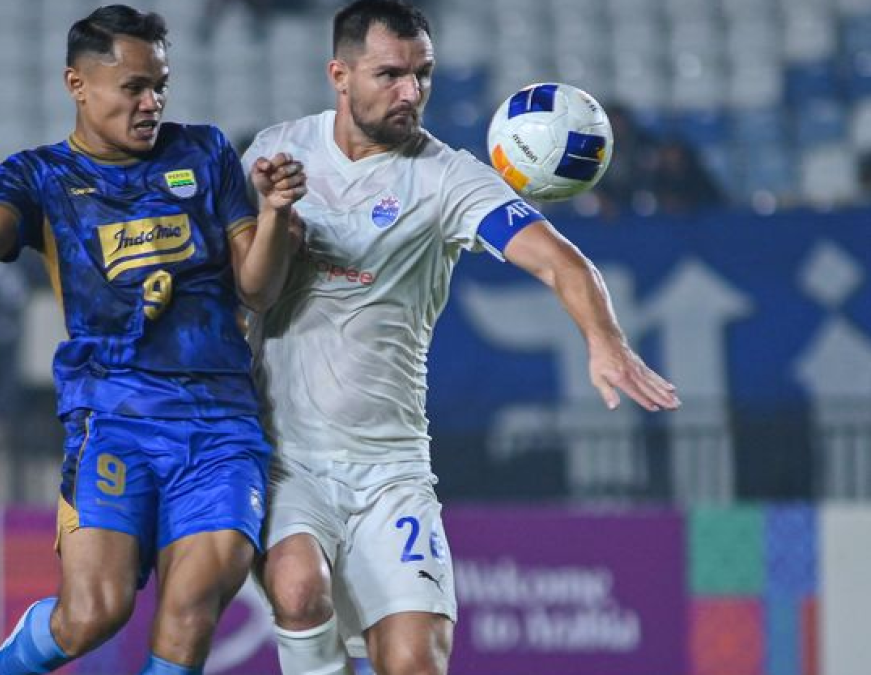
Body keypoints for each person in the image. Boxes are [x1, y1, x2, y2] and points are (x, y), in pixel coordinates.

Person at [0, 6, 305, 675]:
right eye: (133, 87)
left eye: (160, 84)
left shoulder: (205, 153)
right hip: (114, 415)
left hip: (221, 422)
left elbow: (259, 289)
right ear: (77, 84)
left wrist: (272, 216)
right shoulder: (38, 176)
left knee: (194, 603)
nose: (152, 101)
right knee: (95, 612)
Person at [240, 2, 681, 674]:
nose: (410, 92)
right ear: (339, 74)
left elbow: (562, 260)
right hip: (287, 458)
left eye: (423, 75)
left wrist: (605, 339)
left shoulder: (448, 179)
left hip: (392, 470)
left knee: (417, 661)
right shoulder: (277, 152)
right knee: (299, 590)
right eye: (390, 74)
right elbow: (237, 282)